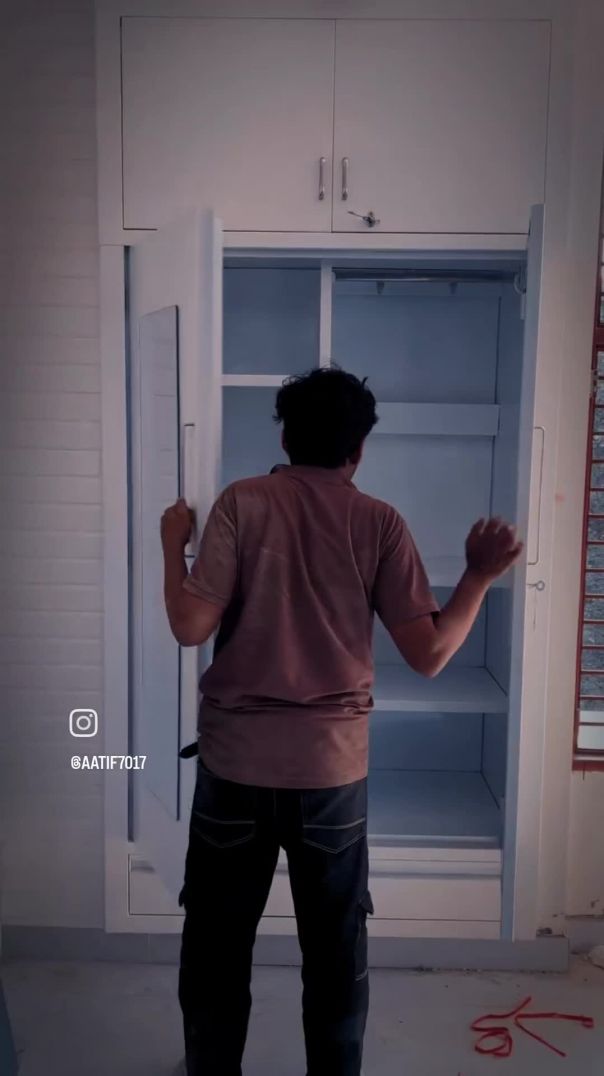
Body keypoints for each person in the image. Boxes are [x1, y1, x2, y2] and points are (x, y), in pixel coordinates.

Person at [160, 366, 522, 1076]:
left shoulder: (242, 502)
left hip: (234, 766)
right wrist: (479, 575)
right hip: (331, 774)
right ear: (358, 449)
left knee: (216, 947)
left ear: (285, 438)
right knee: (334, 954)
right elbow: (430, 655)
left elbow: (188, 627)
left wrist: (174, 543)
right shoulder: (379, 521)